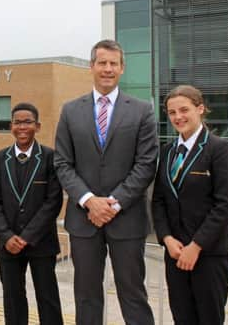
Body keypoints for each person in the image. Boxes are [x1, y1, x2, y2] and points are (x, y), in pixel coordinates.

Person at [54, 39, 158, 325]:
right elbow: (62, 163)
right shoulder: (70, 110)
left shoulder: (142, 111)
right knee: (86, 295)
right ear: (91, 67)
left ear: (122, 69)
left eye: (114, 64)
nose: (108, 69)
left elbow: (146, 163)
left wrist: (114, 203)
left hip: (127, 219)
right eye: (102, 63)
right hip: (83, 221)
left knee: (133, 294)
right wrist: (89, 201)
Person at [151, 85, 228, 325]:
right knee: (182, 318)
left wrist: (196, 246)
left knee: (208, 319)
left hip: (208, 255)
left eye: (184, 110)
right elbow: (158, 200)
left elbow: (225, 204)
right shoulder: (168, 152)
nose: (178, 117)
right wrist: (167, 238)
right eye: (171, 112)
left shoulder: (220, 150)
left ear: (200, 109)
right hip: (175, 253)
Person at [0, 102, 64, 325]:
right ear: (11, 126)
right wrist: (7, 236)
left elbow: (53, 202)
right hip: (7, 244)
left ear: (37, 126)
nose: (22, 127)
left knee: (48, 298)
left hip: (41, 243)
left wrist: (27, 236)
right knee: (13, 299)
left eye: (27, 122)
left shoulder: (50, 157)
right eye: (17, 122)